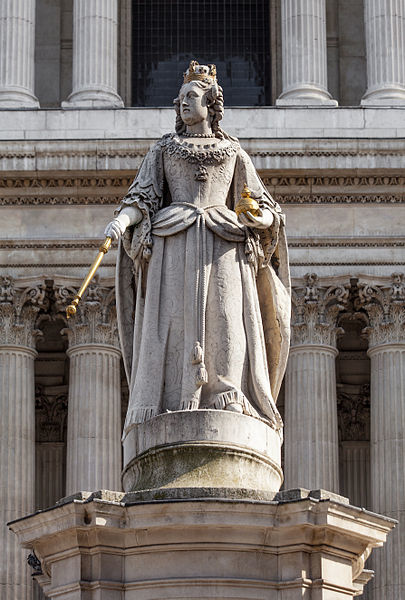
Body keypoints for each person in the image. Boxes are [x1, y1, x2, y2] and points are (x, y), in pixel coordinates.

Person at [104, 61, 290, 437]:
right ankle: (172, 393)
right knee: (170, 318)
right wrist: (121, 222)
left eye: (192, 97)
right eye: (181, 98)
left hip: (224, 240)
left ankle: (227, 387)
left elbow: (264, 205)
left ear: (211, 103)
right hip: (173, 239)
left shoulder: (232, 151)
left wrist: (263, 221)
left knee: (225, 316)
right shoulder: (164, 149)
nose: (183, 103)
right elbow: (142, 197)